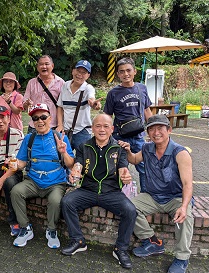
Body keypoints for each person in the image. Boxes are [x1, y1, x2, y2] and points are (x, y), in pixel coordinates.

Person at [118, 115, 193, 273]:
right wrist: (128, 150)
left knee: (185, 218)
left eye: (160, 128)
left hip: (176, 197)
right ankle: (152, 242)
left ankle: (182, 258)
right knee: (127, 207)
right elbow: (134, 160)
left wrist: (184, 206)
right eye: (151, 128)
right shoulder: (147, 148)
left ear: (169, 130)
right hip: (152, 196)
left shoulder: (181, 153)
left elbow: (187, 184)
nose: (156, 132)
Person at [60, 113, 136, 269]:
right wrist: (75, 171)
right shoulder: (84, 146)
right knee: (67, 202)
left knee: (130, 210)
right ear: (92, 128)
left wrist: (125, 175)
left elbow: (123, 167)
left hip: (111, 192)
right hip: (88, 190)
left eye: (106, 126)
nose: (102, 129)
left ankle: (120, 249)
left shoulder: (118, 148)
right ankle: (78, 241)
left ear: (112, 129)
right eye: (98, 126)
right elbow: (78, 164)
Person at [10, 103, 74, 249]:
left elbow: (70, 165)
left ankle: (51, 230)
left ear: (50, 118)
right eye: (35, 118)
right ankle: (25, 228)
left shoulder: (60, 137)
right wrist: (15, 164)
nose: (40, 121)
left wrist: (63, 151)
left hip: (56, 182)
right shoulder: (29, 138)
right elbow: (22, 162)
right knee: (16, 192)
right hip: (33, 180)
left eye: (43, 117)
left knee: (55, 200)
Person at [103, 57, 152, 192]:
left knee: (143, 167)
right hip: (120, 137)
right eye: (122, 71)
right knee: (118, 168)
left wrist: (153, 130)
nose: (126, 74)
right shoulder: (113, 93)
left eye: (128, 70)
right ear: (118, 74)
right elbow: (107, 115)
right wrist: (105, 135)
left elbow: (147, 109)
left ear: (135, 71)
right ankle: (115, 195)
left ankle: (145, 195)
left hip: (138, 136)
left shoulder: (142, 88)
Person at [56, 60, 102, 151]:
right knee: (63, 159)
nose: (80, 74)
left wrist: (94, 104)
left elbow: (91, 98)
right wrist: (60, 125)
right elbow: (60, 107)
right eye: (78, 71)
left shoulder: (88, 88)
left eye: (84, 72)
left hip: (82, 131)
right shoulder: (65, 85)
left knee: (85, 160)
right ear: (73, 71)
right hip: (65, 131)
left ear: (88, 75)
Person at [23, 55, 65, 134]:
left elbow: (63, 106)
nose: (44, 66)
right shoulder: (31, 83)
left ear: (52, 66)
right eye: (41, 64)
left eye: (46, 64)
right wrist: (27, 104)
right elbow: (24, 105)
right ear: (37, 67)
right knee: (32, 146)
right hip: (35, 125)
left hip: (54, 126)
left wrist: (60, 125)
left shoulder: (61, 82)